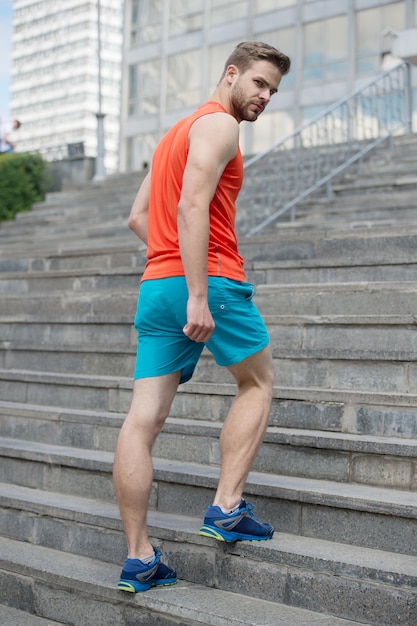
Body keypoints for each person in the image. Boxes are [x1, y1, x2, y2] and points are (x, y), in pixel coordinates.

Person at [113, 41, 291, 594]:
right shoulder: (219, 127)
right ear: (231, 73)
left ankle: (140, 558)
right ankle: (227, 507)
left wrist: (171, 271)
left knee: (143, 419)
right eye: (259, 84)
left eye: (273, 90)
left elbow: (139, 216)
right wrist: (196, 292)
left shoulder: (174, 133)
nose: (265, 96)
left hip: (157, 285)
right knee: (258, 382)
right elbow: (192, 207)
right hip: (206, 281)